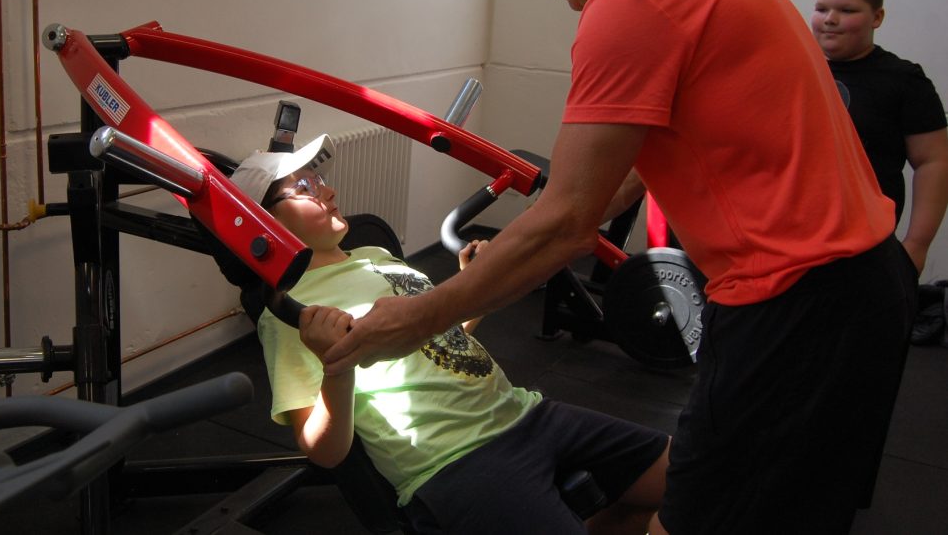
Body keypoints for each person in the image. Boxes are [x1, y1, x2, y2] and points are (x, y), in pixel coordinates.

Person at [322, 0, 917, 535]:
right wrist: (514, 248)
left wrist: (419, 317)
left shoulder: (630, 0)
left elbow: (567, 221)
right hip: (863, 290)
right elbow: (632, 171)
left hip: (794, 307)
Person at [229, 134, 669, 535]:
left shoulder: (374, 254)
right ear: (261, 223)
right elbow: (324, 452)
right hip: (456, 461)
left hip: (526, 413)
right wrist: (337, 368)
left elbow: (440, 341)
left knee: (687, 481)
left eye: (320, 179)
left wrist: (468, 285)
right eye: (304, 187)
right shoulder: (290, 311)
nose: (328, 192)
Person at [811, 0, 948, 275]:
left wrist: (916, 246)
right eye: (821, 8)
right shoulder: (797, 70)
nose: (830, 19)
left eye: (847, 10)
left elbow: (933, 162)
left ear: (877, 17)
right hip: (793, 247)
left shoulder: (904, 80)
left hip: (866, 253)